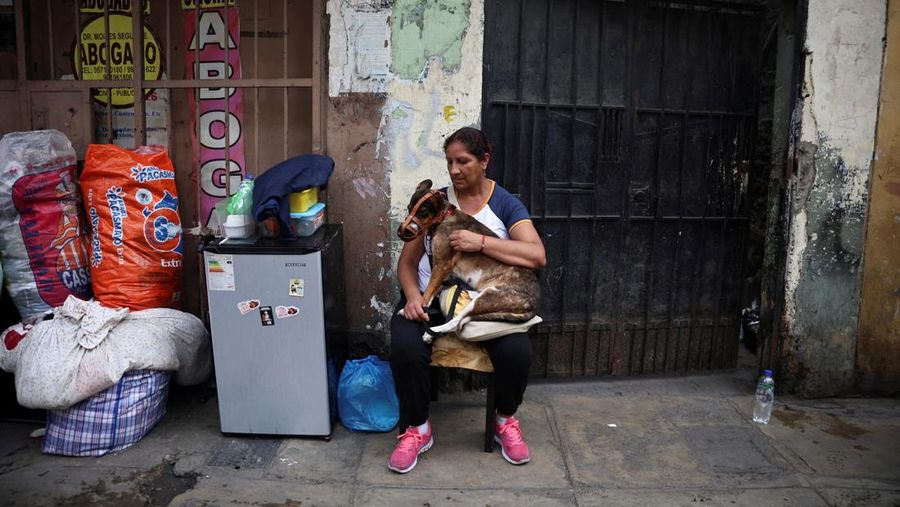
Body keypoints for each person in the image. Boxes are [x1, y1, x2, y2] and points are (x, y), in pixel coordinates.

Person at [389, 127, 547, 473]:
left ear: (484, 161)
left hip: (486, 303)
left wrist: (482, 243)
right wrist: (414, 298)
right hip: (431, 299)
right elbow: (408, 263)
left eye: (463, 161)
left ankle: (505, 421)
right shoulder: (436, 203)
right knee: (404, 345)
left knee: (517, 352)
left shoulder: (505, 203)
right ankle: (417, 429)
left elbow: (537, 255)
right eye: (449, 162)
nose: (455, 170)